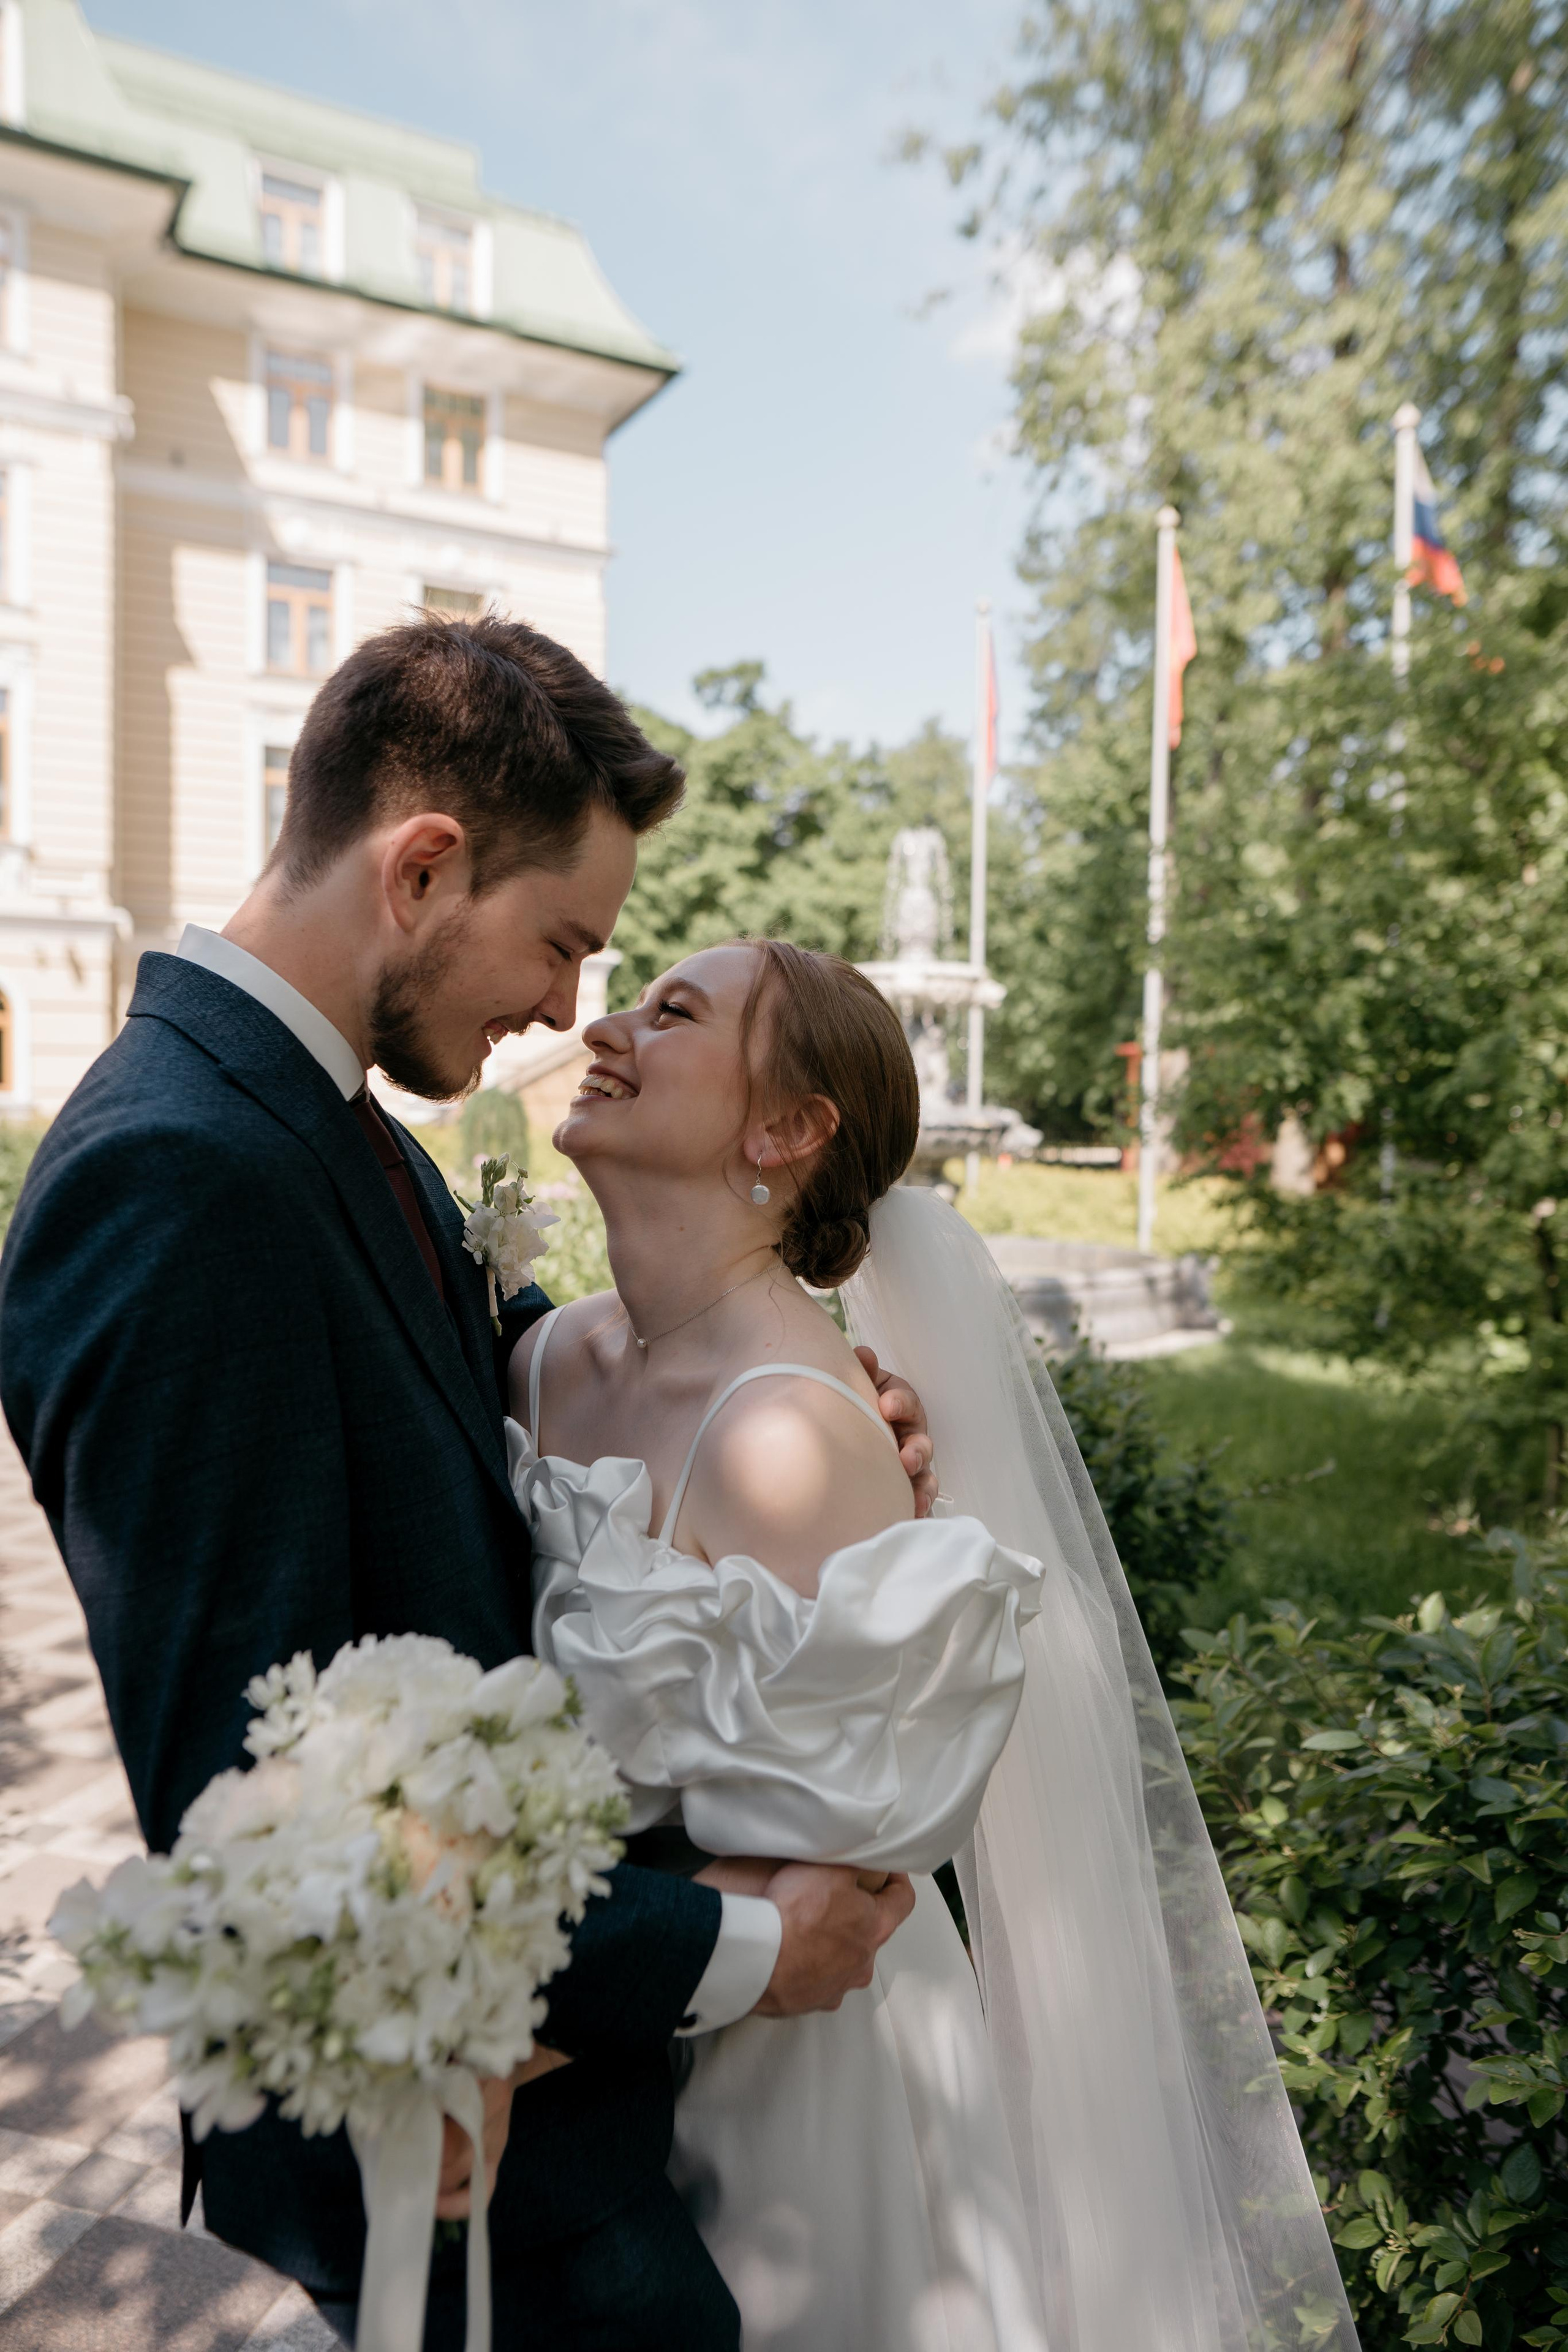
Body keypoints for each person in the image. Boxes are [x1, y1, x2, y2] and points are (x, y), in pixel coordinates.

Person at [0, 619, 932, 2351]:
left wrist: (778, 1391)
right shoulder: (177, 1180)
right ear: (425, 868)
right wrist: (745, 1951)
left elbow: (458, 1392)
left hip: (557, 2159)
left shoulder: (309, 1120)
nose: (570, 1008)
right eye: (564, 939)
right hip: (461, 2181)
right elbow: (259, 1817)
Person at [507, 936, 1363, 2352]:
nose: (604, 1025)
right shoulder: (538, 1359)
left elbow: (832, 1865)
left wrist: (482, 2039)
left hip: (780, 2084)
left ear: (785, 1131)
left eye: (672, 1013)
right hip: (603, 2040)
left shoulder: (794, 1432)